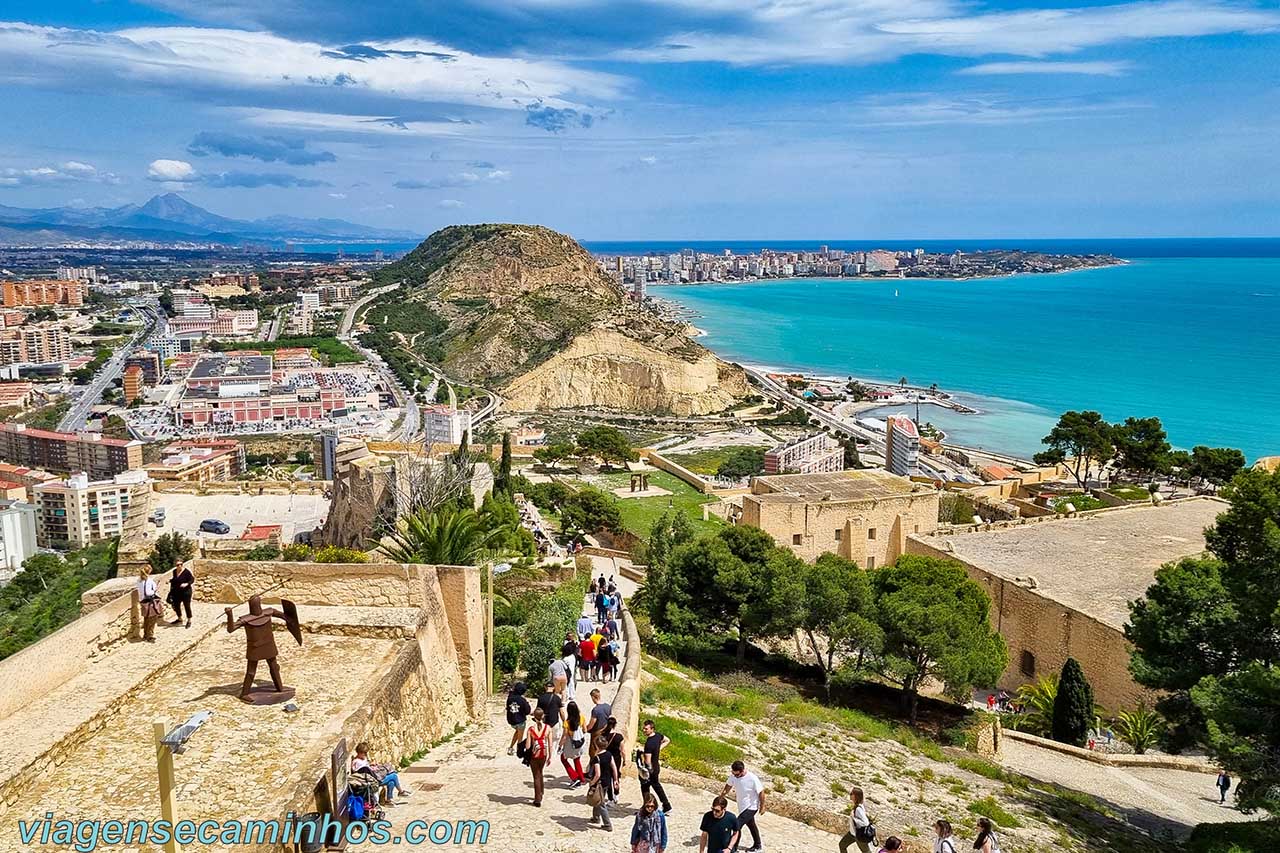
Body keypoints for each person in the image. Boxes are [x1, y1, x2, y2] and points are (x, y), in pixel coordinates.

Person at [722, 760, 765, 853]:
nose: (735, 776)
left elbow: (761, 792)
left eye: (737, 774)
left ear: (742, 771)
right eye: (733, 773)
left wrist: (762, 806)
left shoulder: (752, 778)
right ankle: (758, 846)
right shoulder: (733, 776)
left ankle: (733, 848)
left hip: (751, 807)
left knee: (736, 825)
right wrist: (721, 797)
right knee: (751, 825)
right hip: (742, 807)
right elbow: (728, 786)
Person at [640, 719, 674, 814]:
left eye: (646, 729)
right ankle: (666, 806)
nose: (644, 730)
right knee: (656, 786)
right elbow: (667, 740)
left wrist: (647, 770)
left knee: (645, 787)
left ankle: (647, 806)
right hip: (656, 766)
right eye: (644, 728)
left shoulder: (649, 743)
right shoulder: (658, 736)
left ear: (652, 729)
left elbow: (647, 760)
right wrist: (658, 749)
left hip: (651, 769)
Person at [586, 733, 618, 831]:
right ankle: (596, 817)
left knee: (601, 803)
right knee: (598, 798)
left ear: (596, 745)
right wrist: (616, 780)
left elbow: (598, 774)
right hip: (607, 781)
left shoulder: (597, 758)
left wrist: (592, 782)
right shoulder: (609, 754)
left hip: (599, 782)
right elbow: (614, 767)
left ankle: (607, 824)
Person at [524, 708, 552, 807]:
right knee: (541, 772)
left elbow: (527, 746)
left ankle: (537, 799)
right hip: (543, 754)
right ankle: (541, 791)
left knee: (536, 776)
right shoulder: (548, 728)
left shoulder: (531, 729)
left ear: (534, 717)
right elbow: (550, 744)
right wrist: (550, 757)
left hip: (534, 755)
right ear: (543, 716)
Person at [560, 700, 587, 788]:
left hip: (570, 744)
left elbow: (564, 736)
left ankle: (575, 777)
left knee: (563, 759)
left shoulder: (567, 723)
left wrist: (560, 746)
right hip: (579, 743)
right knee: (577, 760)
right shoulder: (582, 718)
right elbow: (585, 730)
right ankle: (582, 778)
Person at [839, 785, 872, 853]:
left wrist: (854, 819)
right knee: (842, 845)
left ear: (855, 796)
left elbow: (865, 823)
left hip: (859, 836)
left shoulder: (858, 809)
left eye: (851, 794)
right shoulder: (857, 806)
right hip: (852, 833)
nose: (850, 795)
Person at [535, 681, 565, 749]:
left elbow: (538, 711)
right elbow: (561, 712)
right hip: (555, 722)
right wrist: (564, 721)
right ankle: (551, 756)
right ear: (553, 687)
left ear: (545, 687)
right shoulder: (557, 698)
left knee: (544, 740)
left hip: (544, 723)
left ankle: (545, 754)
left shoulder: (541, 698)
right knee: (554, 741)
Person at [136, 566, 162, 642]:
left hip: (143, 601)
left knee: (146, 619)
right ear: (149, 571)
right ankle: (150, 636)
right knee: (152, 619)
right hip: (150, 602)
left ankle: (145, 634)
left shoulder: (139, 580)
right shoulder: (149, 580)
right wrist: (154, 590)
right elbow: (148, 592)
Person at [505, 681, 531, 755]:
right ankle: (519, 750)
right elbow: (527, 711)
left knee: (517, 733)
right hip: (520, 721)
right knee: (520, 737)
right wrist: (527, 703)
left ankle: (511, 747)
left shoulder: (509, 698)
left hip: (511, 720)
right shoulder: (522, 700)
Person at [167, 559, 195, 628]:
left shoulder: (186, 572)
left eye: (181, 564)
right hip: (177, 592)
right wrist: (170, 581)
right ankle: (179, 618)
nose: (179, 566)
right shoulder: (174, 571)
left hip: (186, 592)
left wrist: (187, 584)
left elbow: (192, 579)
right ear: (175, 565)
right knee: (176, 605)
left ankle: (189, 620)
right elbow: (175, 580)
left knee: (187, 606)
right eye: (178, 565)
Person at [586, 689, 611, 755]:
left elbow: (591, 724)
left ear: (593, 697)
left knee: (593, 752)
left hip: (596, 733)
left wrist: (585, 729)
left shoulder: (595, 710)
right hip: (605, 731)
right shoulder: (608, 706)